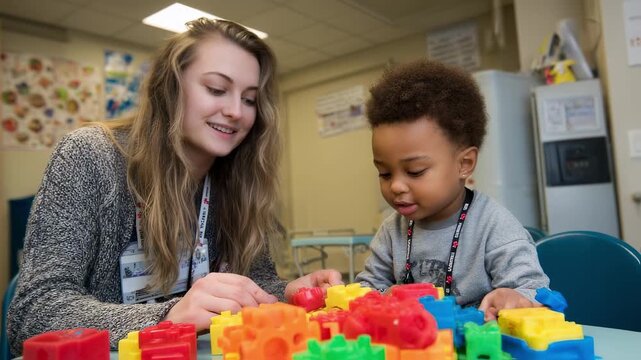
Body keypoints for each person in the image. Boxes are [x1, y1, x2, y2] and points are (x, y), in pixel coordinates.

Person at [7, 18, 341, 355]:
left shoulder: (238, 179)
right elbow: (33, 312)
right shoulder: (90, 156)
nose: (236, 111)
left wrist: (286, 293)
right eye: (216, 89)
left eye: (250, 99)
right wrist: (167, 317)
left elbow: (253, 283)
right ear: (171, 87)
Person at [354, 59, 549, 321]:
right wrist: (380, 297)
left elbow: (534, 292)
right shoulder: (392, 231)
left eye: (415, 171)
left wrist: (515, 298)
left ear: (464, 164)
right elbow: (366, 288)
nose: (396, 186)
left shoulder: (494, 226)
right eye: (384, 173)